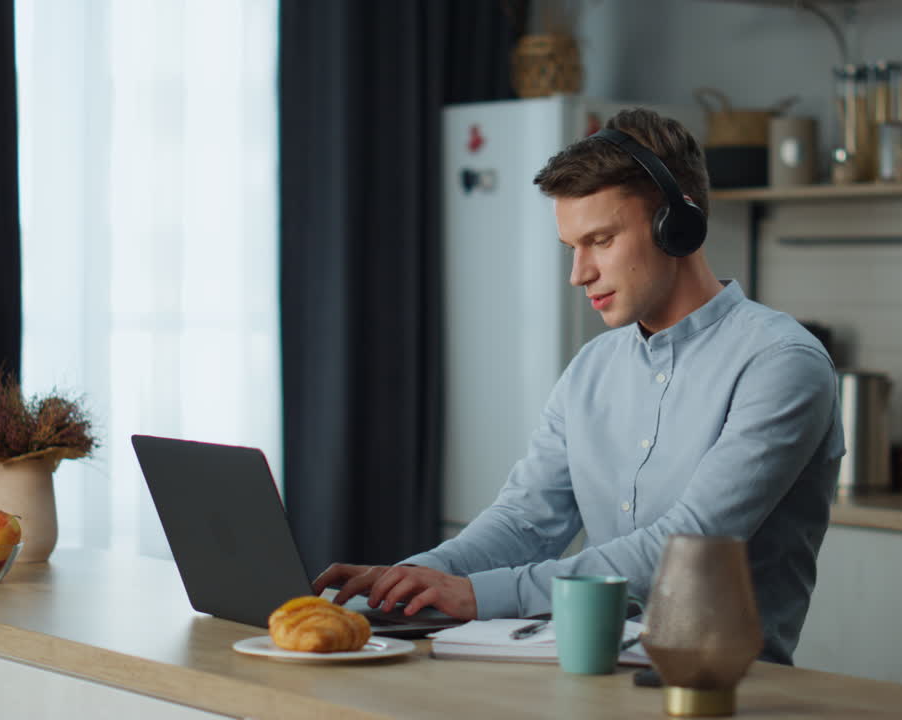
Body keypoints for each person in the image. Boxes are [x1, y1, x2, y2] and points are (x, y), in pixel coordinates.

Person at [314, 108, 844, 664]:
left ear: (677, 226)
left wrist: (477, 595)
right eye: (573, 248)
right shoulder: (592, 367)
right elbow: (525, 520)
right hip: (583, 673)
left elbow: (690, 545)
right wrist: (418, 576)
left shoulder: (782, 363)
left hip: (725, 691)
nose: (579, 273)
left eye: (601, 240)